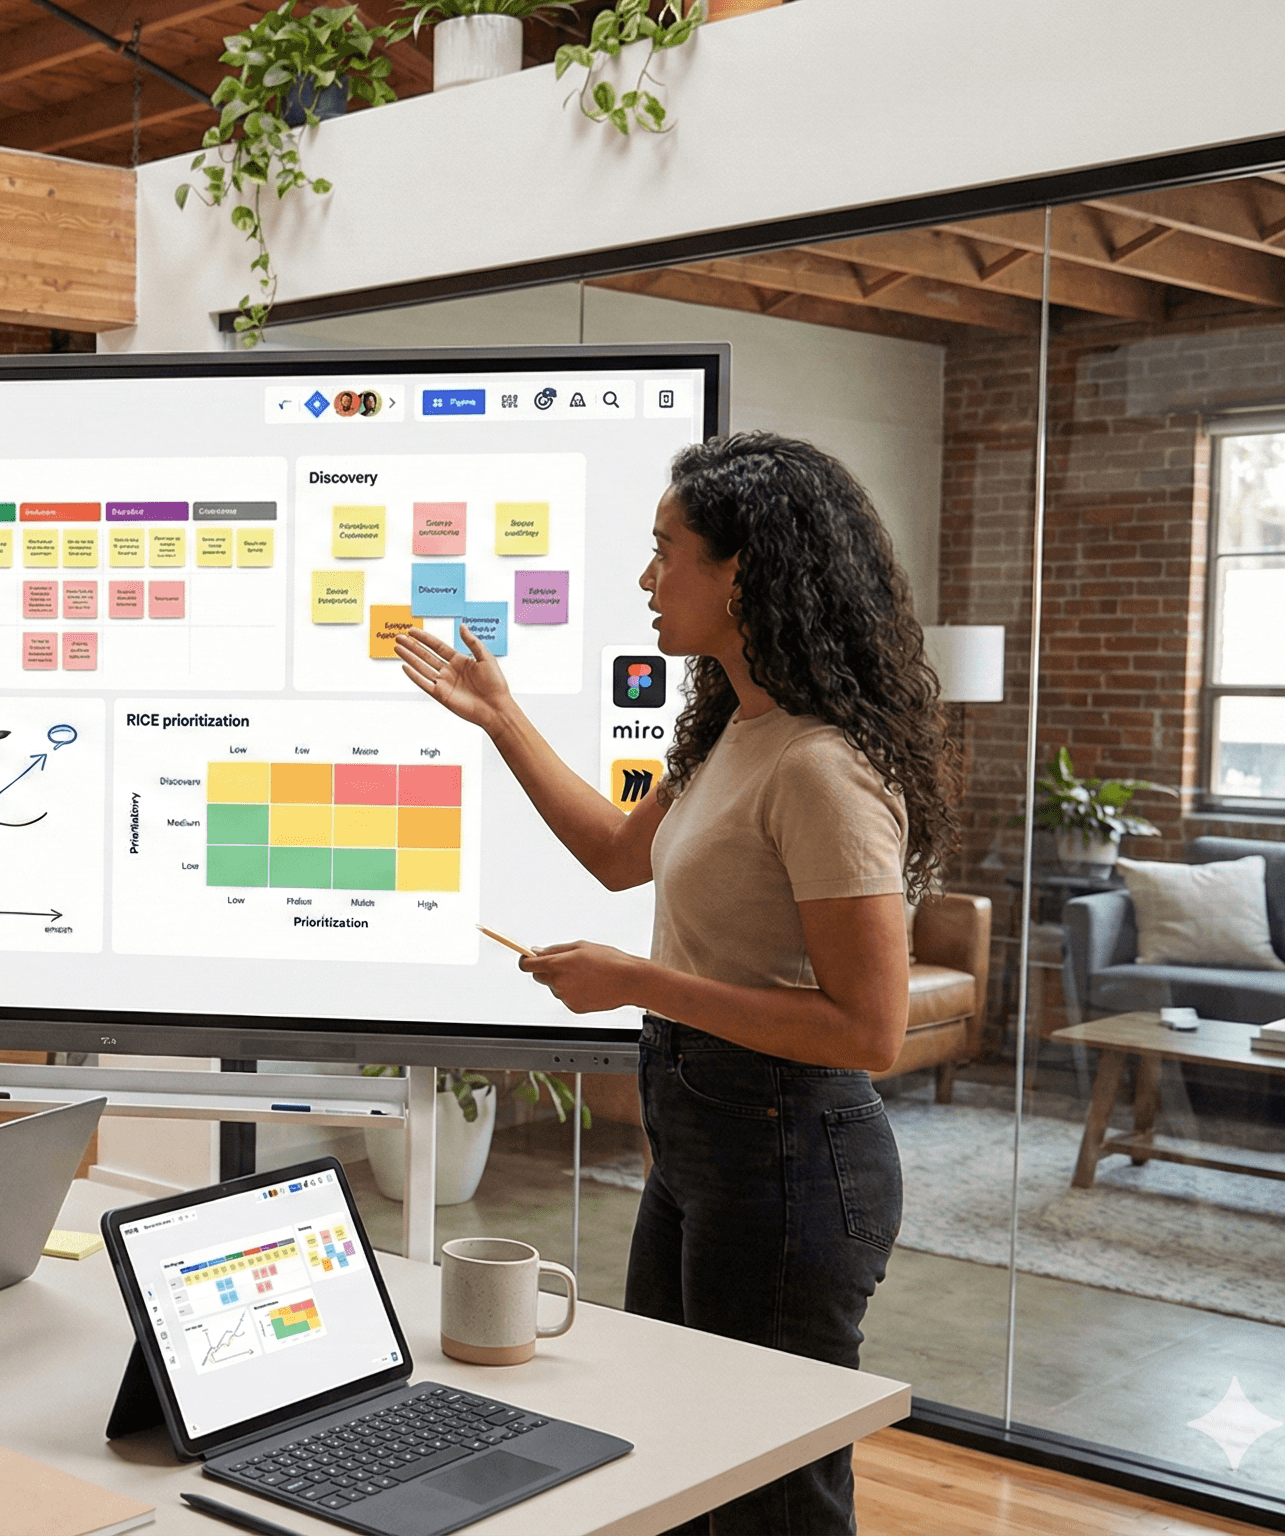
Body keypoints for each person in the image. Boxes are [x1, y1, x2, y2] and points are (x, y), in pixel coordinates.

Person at [395, 432, 954, 1535]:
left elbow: (867, 1029)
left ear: (742, 569)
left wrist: (637, 979)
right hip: (703, 1142)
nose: (645, 580)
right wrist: (499, 715)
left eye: (665, 551)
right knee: (683, 1462)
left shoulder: (821, 768)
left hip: (788, 1154)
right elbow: (613, 852)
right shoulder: (733, 732)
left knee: (771, 1501)